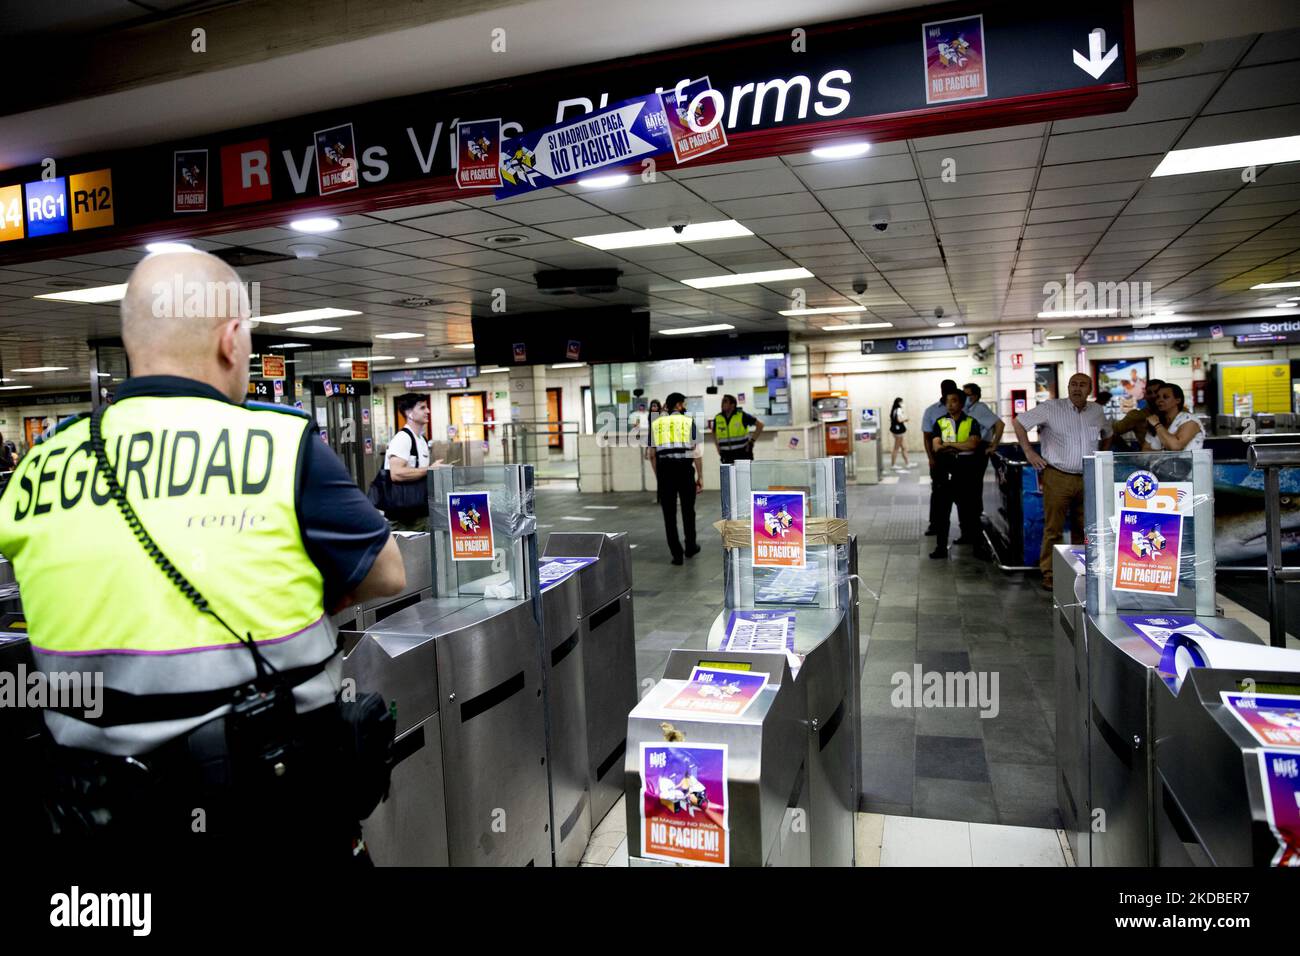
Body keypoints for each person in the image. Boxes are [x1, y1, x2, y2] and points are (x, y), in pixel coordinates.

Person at [0, 250, 407, 865]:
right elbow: (387, 573)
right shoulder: (279, 445)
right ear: (232, 339)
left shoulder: (39, 467)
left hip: (92, 827)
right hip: (269, 817)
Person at [1012, 373, 1113, 590]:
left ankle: (1080, 571)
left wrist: (1101, 456)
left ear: (1090, 389)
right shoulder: (1051, 408)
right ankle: (1050, 573)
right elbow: (1019, 422)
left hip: (1088, 476)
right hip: (1058, 475)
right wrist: (1029, 452)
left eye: (1082, 385)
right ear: (1068, 388)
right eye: (1073, 385)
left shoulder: (1096, 411)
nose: (1077, 389)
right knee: (1053, 528)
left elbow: (1108, 433)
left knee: (1084, 527)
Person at [929, 389, 991, 560]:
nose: (950, 404)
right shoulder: (940, 422)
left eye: (954, 401)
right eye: (948, 401)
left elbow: (973, 445)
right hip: (945, 471)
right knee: (943, 513)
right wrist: (959, 445)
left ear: (962, 403)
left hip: (966, 472)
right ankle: (941, 548)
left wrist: (949, 444)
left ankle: (978, 548)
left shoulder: (972, 422)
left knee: (971, 512)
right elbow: (936, 446)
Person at [651, 392, 703, 566]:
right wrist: (700, 476)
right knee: (688, 510)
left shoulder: (656, 424)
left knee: (669, 514)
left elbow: (652, 455)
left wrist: (659, 476)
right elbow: (696, 452)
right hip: (685, 471)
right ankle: (690, 547)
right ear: (679, 405)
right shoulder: (689, 422)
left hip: (665, 472)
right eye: (683, 404)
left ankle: (677, 554)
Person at [386, 392, 441, 532]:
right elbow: (396, 473)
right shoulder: (403, 438)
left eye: (427, 407)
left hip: (417, 510)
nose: (428, 411)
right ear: (409, 413)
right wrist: (430, 469)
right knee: (407, 552)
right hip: (403, 515)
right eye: (422, 408)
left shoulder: (421, 440)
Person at [961, 383, 1005, 545]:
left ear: (976, 396)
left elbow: (999, 424)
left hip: (979, 449)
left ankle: (975, 523)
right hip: (970, 449)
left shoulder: (979, 408)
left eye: (969, 395)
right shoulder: (968, 409)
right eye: (964, 394)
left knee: (973, 486)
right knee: (970, 487)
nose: (967, 398)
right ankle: (972, 522)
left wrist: (994, 444)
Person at [922, 379, 960, 536]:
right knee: (938, 492)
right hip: (940, 459)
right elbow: (927, 437)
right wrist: (930, 458)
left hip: (961, 459)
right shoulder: (932, 411)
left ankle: (967, 528)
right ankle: (935, 524)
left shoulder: (964, 410)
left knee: (962, 493)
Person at [1145, 383, 1204, 450]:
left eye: (1165, 397)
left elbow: (1175, 446)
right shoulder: (1156, 420)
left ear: (1178, 400)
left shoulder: (1190, 420)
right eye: (1158, 397)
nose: (1160, 400)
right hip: (1161, 461)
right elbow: (1145, 451)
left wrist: (1157, 425)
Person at [1112, 378, 1165, 450]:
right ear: (1145, 395)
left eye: (1157, 392)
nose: (1153, 395)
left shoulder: (1177, 413)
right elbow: (1110, 432)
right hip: (1148, 458)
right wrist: (1128, 452)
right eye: (1149, 393)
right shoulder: (1136, 415)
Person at [712, 394, 764, 464]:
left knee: (744, 475)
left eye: (725, 401)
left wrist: (752, 441)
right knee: (728, 475)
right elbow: (713, 432)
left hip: (742, 453)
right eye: (722, 401)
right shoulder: (718, 418)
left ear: (732, 405)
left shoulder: (742, 415)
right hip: (726, 455)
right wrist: (717, 447)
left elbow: (760, 425)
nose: (722, 404)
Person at [888, 397, 909, 468]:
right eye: (902, 402)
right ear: (899, 403)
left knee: (904, 447)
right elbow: (899, 420)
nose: (903, 404)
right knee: (896, 448)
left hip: (895, 431)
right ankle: (893, 465)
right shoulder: (899, 409)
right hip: (898, 431)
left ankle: (907, 463)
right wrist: (905, 419)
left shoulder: (894, 410)